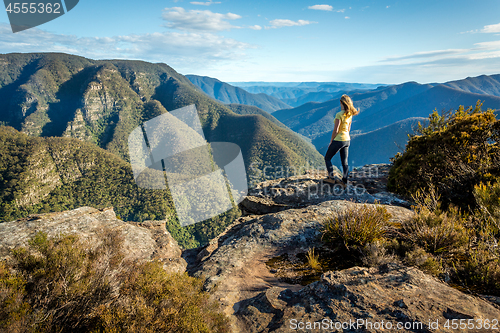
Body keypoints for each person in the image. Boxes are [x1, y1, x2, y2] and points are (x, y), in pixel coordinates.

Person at [324, 94, 360, 185]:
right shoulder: (350, 114)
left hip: (339, 139)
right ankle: (344, 181)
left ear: (341, 102)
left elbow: (336, 130)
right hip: (347, 140)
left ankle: (331, 178)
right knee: (344, 161)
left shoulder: (339, 114)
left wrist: (331, 141)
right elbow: (348, 129)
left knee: (327, 158)